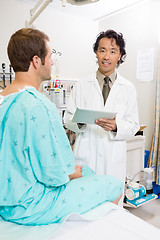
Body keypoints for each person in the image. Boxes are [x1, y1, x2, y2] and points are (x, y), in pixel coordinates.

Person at [0, 28, 124, 226]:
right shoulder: (39, 105)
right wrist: (76, 171)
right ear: (36, 61)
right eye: (50, 56)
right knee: (114, 183)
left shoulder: (3, 99)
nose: (52, 62)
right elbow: (54, 175)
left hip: (6, 202)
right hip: (31, 205)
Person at [64, 29, 139, 184]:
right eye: (102, 50)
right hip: (86, 156)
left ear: (119, 56)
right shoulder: (81, 85)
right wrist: (80, 121)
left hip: (113, 160)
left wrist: (116, 126)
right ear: (96, 53)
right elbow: (67, 118)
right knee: (85, 202)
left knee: (111, 202)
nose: (106, 56)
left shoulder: (128, 88)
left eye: (113, 51)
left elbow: (133, 125)